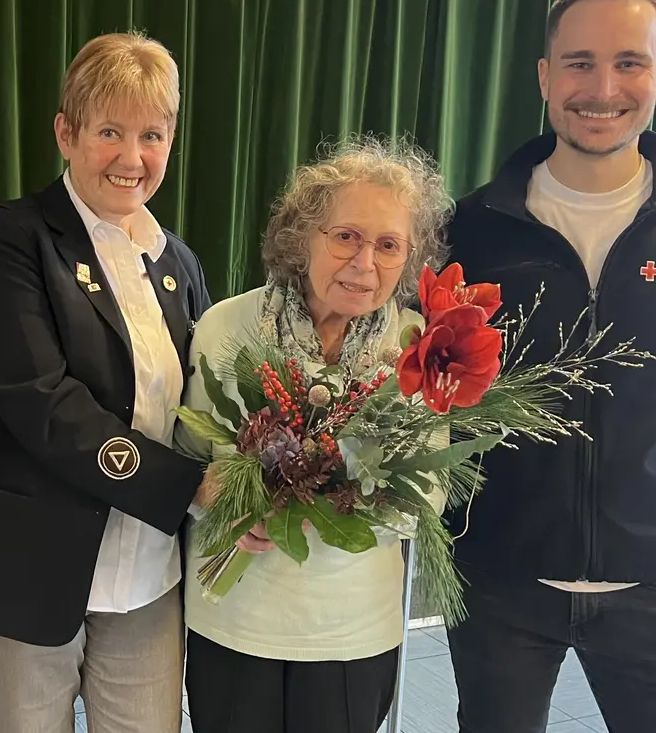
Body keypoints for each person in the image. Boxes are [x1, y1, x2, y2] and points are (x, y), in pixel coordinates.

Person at [442, 0, 656, 732]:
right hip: (503, 577)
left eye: (629, 62)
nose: (602, 87)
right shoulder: (473, 227)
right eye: (579, 63)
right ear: (546, 77)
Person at [0, 32, 210, 733]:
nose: (132, 158)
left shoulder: (179, 265)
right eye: (109, 131)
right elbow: (40, 401)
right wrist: (185, 485)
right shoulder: (14, 239)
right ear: (65, 134)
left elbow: (196, 409)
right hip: (24, 572)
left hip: (147, 580)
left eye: (152, 135)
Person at [177, 140, 453, 733]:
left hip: (351, 632)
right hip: (235, 621)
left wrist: (335, 504)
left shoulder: (417, 347)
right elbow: (188, 463)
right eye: (345, 236)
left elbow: (426, 496)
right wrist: (225, 503)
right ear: (304, 237)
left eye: (388, 245)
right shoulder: (226, 325)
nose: (364, 263)